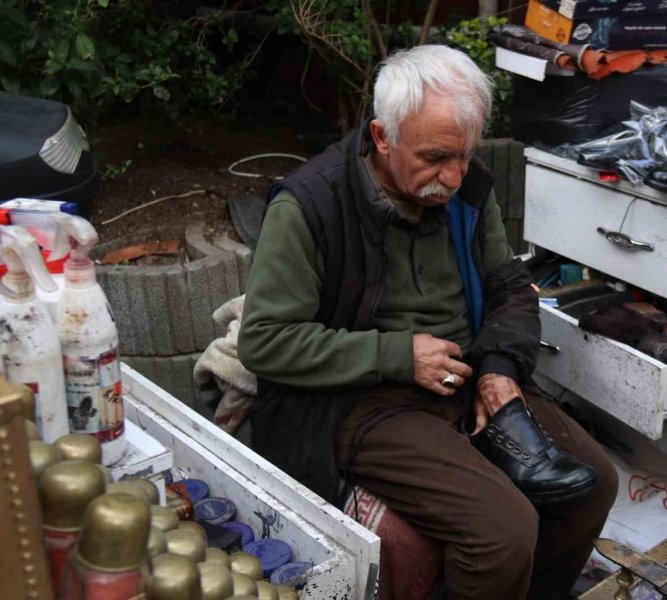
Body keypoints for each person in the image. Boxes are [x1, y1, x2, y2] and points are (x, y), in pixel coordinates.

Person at [238, 44, 618, 600]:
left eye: (465, 155)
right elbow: (264, 341)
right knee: (501, 531)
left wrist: (498, 369)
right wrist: (396, 355)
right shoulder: (309, 207)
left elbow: (510, 286)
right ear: (382, 136)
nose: (454, 175)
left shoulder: (467, 187)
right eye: (436, 157)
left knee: (595, 484)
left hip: (461, 376)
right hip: (359, 397)